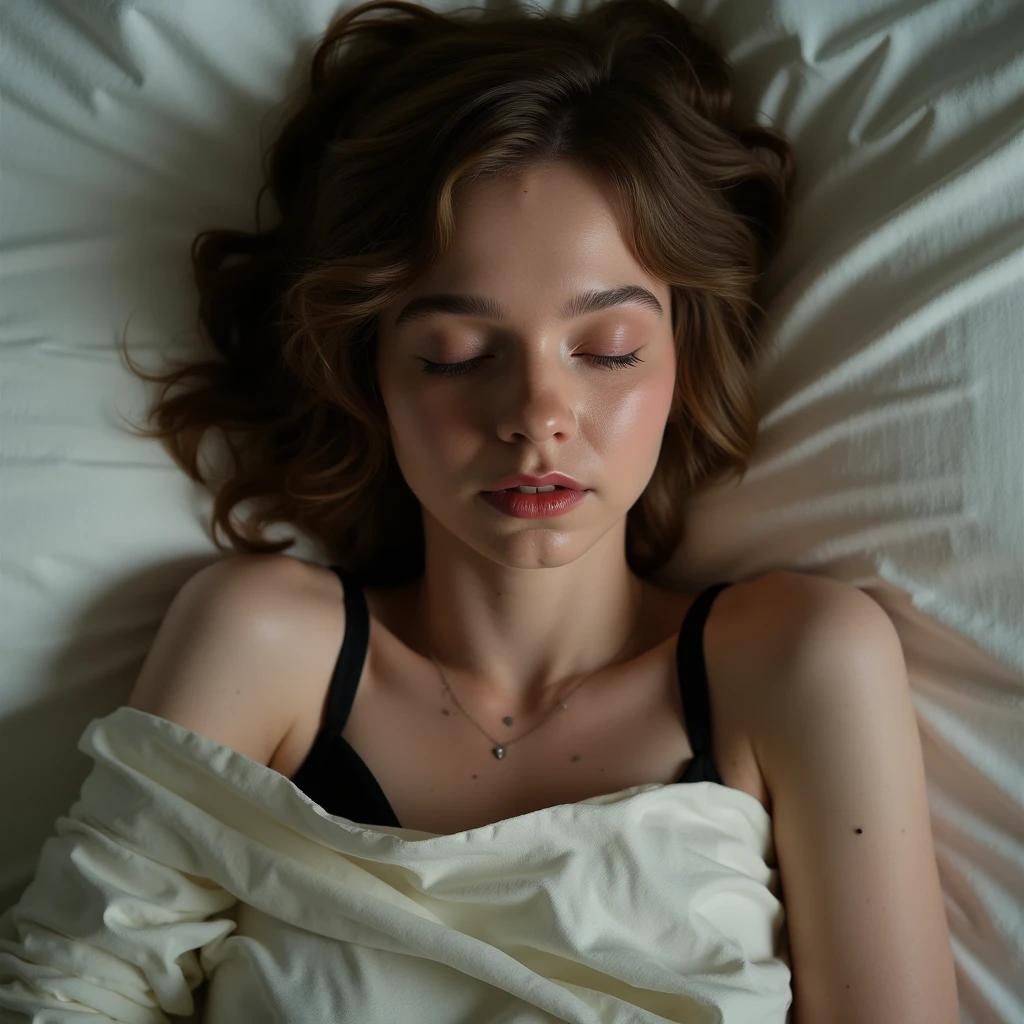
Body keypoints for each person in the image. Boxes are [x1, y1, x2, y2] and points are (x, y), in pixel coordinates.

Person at [0, 1, 959, 1021]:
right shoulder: (266, 638)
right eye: (457, 355)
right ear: (373, 373)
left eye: (607, 350)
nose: (537, 416)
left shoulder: (796, 660)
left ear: (685, 358)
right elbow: (70, 995)